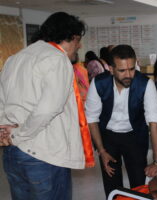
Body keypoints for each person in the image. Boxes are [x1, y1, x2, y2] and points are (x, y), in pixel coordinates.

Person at [0, 12, 94, 200]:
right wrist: (18, 134)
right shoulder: (57, 59)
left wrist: (5, 133)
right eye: (79, 40)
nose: (80, 46)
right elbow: (48, 109)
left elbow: (2, 101)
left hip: (12, 152)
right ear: (73, 37)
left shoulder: (14, 59)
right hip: (44, 154)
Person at [85, 44, 157, 197]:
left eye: (132, 69)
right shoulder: (99, 83)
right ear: (111, 69)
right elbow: (92, 119)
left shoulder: (145, 84)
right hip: (108, 137)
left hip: (135, 136)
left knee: (139, 184)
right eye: (122, 70)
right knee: (112, 185)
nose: (128, 75)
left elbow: (154, 123)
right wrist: (101, 151)